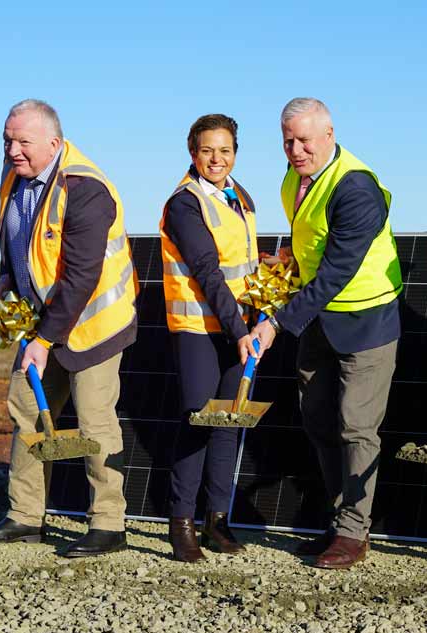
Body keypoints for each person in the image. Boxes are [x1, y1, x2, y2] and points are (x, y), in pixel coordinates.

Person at [0, 99, 139, 557]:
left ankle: (108, 524)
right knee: (26, 410)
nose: (13, 150)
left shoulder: (86, 188)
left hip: (94, 324)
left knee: (93, 421)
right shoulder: (16, 177)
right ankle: (25, 517)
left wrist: (44, 340)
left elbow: (82, 275)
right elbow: (20, 240)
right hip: (44, 320)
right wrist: (9, 277)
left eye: (23, 141)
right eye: (7, 140)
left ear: (54, 143)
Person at [248, 97, 403, 570]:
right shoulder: (294, 180)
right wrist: (287, 262)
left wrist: (276, 322)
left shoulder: (356, 188)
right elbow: (311, 244)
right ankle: (339, 520)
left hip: (366, 320)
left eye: (305, 140)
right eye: (287, 141)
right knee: (317, 420)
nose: (295, 150)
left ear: (330, 135)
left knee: (356, 426)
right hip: (319, 321)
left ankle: (355, 532)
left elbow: (337, 270)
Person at [159, 114, 258, 562]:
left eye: (225, 150)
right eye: (207, 150)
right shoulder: (184, 203)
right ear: (191, 152)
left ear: (235, 152)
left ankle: (217, 520)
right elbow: (206, 270)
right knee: (199, 423)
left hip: (240, 328)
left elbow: (242, 265)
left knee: (228, 425)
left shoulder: (241, 197)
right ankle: (181, 523)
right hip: (201, 328)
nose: (216, 159)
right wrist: (240, 331)